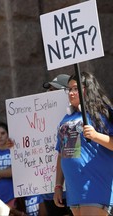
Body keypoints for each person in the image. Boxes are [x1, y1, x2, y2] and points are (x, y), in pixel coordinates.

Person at [53, 71, 113, 216]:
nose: (71, 93)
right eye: (69, 89)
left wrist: (96, 136)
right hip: (74, 190)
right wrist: (58, 186)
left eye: (76, 88)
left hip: (95, 186)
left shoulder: (103, 113)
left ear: (89, 88)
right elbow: (62, 154)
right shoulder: (65, 119)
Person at [43, 74, 73, 216]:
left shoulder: (74, 120)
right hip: (50, 192)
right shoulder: (40, 114)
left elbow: (65, 154)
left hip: (74, 191)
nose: (49, 93)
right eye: (48, 89)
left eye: (53, 89)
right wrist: (15, 145)